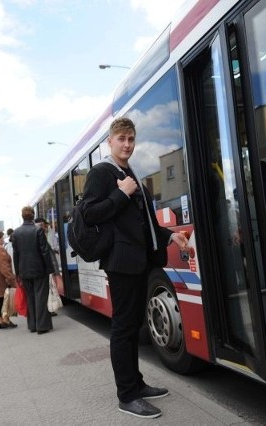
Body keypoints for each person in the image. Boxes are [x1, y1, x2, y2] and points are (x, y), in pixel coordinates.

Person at [81, 117, 189, 419]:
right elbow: (88, 214)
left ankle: (137, 384)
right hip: (121, 264)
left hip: (138, 261)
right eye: (121, 139)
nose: (127, 144)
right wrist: (121, 193)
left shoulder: (129, 172)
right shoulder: (102, 173)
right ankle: (126, 396)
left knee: (132, 327)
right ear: (110, 143)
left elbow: (143, 224)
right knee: (123, 328)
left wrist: (170, 235)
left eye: (131, 139)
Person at [12, 206, 55, 335]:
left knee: (30, 297)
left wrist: (18, 274)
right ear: (33, 215)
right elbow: (44, 251)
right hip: (39, 269)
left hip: (24, 271)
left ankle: (32, 325)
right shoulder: (38, 230)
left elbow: (16, 254)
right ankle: (42, 326)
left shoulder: (16, 233)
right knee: (41, 296)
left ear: (22, 216)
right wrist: (50, 269)